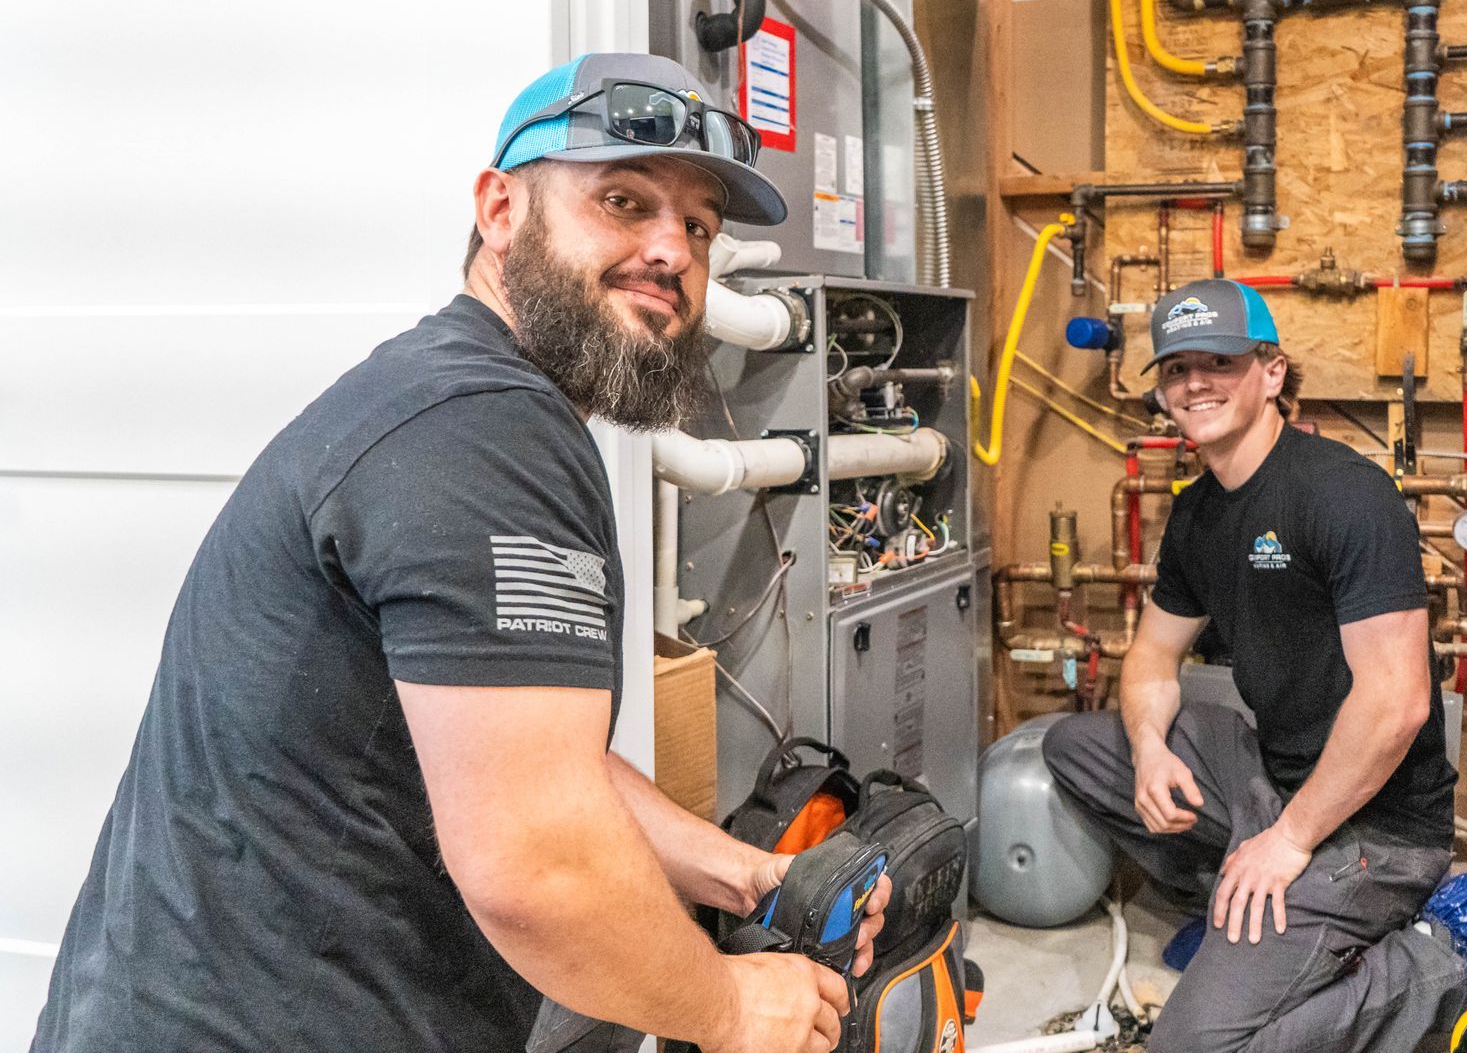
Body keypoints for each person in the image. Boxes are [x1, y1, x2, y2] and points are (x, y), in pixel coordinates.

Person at [33, 52, 886, 1053]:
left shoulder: (461, 401)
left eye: (698, 224)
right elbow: (542, 861)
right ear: (500, 210)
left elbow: (529, 758)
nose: (672, 249)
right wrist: (728, 1005)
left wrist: (746, 872)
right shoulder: (484, 431)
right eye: (623, 198)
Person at [1042, 279, 1467, 1053]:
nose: (1195, 382)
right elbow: (1152, 656)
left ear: (1271, 372)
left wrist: (1291, 842)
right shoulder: (1199, 512)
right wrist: (1146, 752)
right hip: (1278, 778)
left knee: (1191, 1045)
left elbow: (1399, 701)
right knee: (1074, 748)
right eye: (1176, 368)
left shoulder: (1344, 495)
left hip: (1377, 826)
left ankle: (1421, 972)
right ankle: (1245, 898)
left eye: (1220, 361)